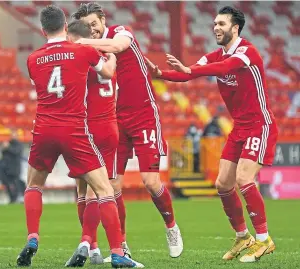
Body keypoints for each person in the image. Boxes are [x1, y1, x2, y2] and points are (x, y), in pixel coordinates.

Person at [145, 6, 277, 263]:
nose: (216, 27)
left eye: (221, 24)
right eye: (215, 23)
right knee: (222, 184)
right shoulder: (214, 55)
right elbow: (188, 73)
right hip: (239, 127)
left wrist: (189, 70)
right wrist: (161, 74)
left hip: (260, 125)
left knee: (244, 179)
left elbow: (222, 67)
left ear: (235, 28)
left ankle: (264, 240)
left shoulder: (246, 52)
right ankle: (243, 237)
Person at [16, 5, 143, 268]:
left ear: (42, 29)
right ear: (65, 25)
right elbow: (107, 72)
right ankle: (117, 252)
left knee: (33, 186)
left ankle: (32, 237)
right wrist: (112, 58)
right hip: (75, 129)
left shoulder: (32, 59)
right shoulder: (82, 50)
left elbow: (40, 84)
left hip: (43, 129)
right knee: (104, 190)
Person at [72, 2, 183, 259]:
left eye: (94, 24)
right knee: (111, 185)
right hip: (114, 120)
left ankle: (171, 226)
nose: (92, 30)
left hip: (143, 114)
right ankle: (121, 244)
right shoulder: (93, 52)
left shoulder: (121, 32)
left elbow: (118, 46)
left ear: (102, 19)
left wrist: (79, 42)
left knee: (150, 182)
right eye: (87, 27)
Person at [67, 19, 119, 265]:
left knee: (85, 190)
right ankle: (93, 246)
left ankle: (89, 242)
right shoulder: (109, 55)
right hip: (109, 125)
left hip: (86, 127)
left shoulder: (80, 57)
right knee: (97, 189)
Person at [0, 131, 25, 204]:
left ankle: (19, 197)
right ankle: (12, 198)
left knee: (17, 183)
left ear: (17, 136)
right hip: (6, 169)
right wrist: (4, 147)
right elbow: (3, 153)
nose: (13, 137)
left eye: (14, 136)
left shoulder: (19, 144)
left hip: (15, 168)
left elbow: (16, 152)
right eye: (12, 135)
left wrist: (8, 147)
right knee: (7, 184)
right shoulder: (9, 144)